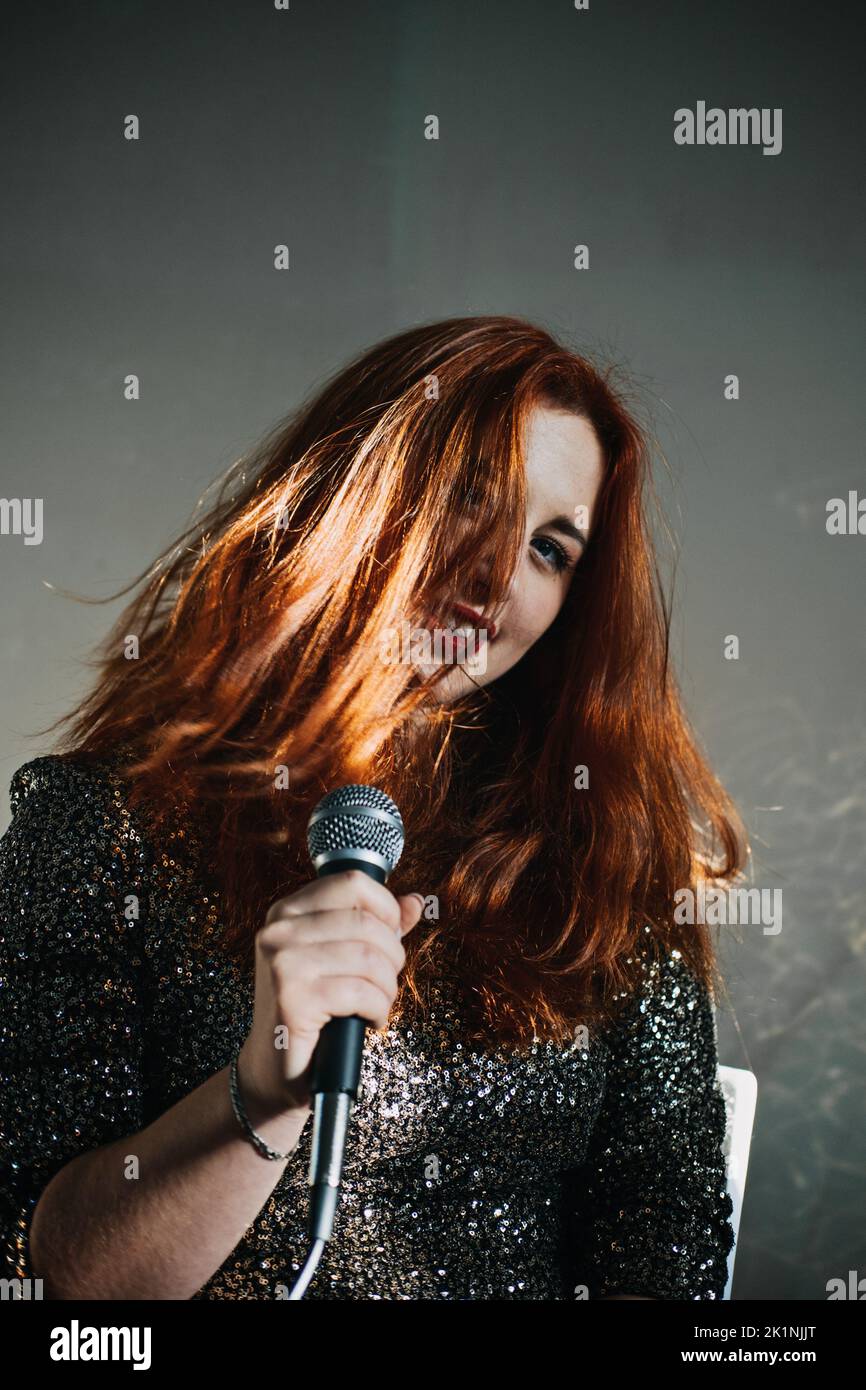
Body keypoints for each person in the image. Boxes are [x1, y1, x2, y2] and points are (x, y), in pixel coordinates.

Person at [0, 314, 744, 1300]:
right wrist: (259, 1097)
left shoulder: (606, 869)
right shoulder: (106, 827)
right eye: (472, 494)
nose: (498, 576)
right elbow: (53, 1286)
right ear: (359, 480)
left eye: (551, 549)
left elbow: (665, 1259)